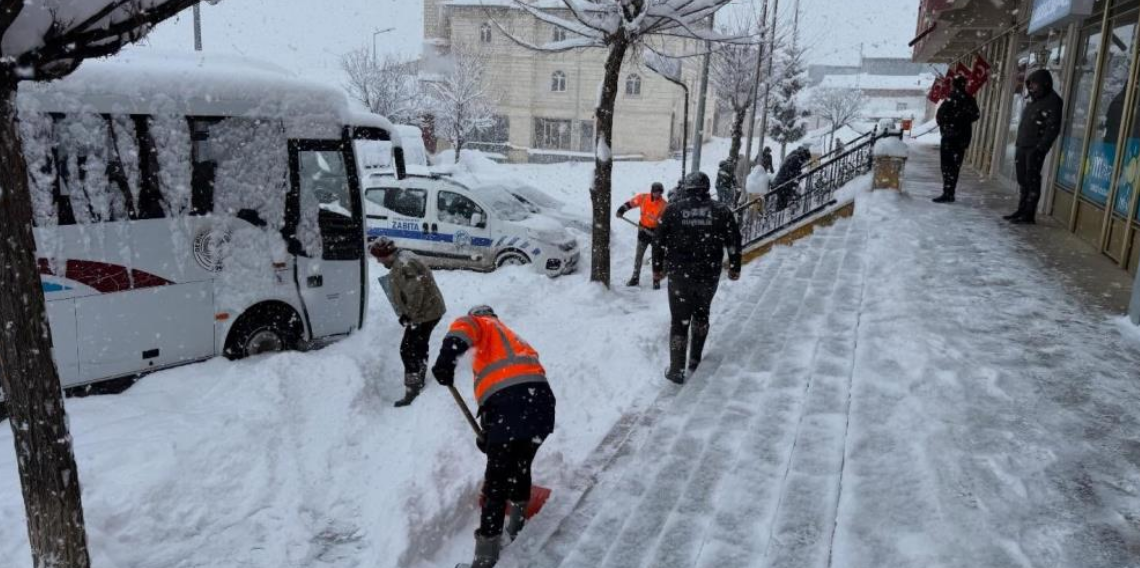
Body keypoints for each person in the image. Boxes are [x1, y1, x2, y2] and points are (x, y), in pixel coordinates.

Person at [432, 305, 556, 568]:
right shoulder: (512, 340)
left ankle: (485, 558)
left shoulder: (479, 323)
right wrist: (491, 436)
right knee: (520, 463)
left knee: (496, 483)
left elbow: (462, 329)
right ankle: (517, 524)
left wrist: (445, 360)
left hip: (512, 406)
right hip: (541, 407)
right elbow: (508, 390)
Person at [652, 172, 743, 384]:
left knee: (679, 322)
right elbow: (734, 240)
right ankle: (695, 359)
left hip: (679, 275)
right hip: (708, 274)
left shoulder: (673, 210)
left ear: (687, 188)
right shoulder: (721, 211)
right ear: (707, 188)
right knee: (702, 314)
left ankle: (676, 369)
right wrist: (735, 266)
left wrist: (657, 268)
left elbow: (658, 240)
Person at [370, 237, 446, 408]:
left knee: (408, 349)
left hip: (425, 313)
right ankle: (420, 376)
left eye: (379, 258)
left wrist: (408, 315)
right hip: (427, 310)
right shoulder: (401, 259)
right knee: (418, 345)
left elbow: (415, 293)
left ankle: (413, 389)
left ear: (387, 254)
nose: (378, 261)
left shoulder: (404, 264)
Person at [1007, 69, 1064, 224]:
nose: (1032, 87)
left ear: (1044, 84)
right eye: (1030, 84)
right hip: (1023, 145)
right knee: (1022, 179)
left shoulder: (1053, 101)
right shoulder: (1033, 101)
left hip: (1034, 148)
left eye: (1034, 83)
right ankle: (1021, 209)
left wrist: (1041, 147)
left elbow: (1053, 127)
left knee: (1032, 179)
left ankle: (1029, 214)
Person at [933, 75, 980, 203]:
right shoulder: (969, 99)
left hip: (950, 137)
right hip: (962, 138)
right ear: (964, 85)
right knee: (955, 166)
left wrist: (948, 125)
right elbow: (976, 115)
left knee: (946, 166)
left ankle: (947, 192)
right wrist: (963, 121)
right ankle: (950, 192)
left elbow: (939, 117)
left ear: (954, 85)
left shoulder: (951, 98)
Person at [616, 182, 668, 288]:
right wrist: (621, 210)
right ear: (651, 191)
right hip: (643, 231)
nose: (656, 194)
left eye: (659, 192)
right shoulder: (643, 198)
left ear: (661, 192)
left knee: (657, 258)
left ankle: (656, 281)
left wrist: (661, 233)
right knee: (639, 256)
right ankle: (635, 278)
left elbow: (665, 223)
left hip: (656, 233)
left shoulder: (664, 205)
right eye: (655, 192)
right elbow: (631, 203)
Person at [772, 145, 811, 211]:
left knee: (783, 201)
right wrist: (798, 176)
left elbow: (793, 171)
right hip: (782, 183)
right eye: (806, 160)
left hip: (781, 182)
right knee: (782, 202)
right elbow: (792, 172)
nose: (805, 162)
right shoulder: (795, 158)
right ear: (804, 156)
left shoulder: (795, 155)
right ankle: (780, 217)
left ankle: (781, 215)